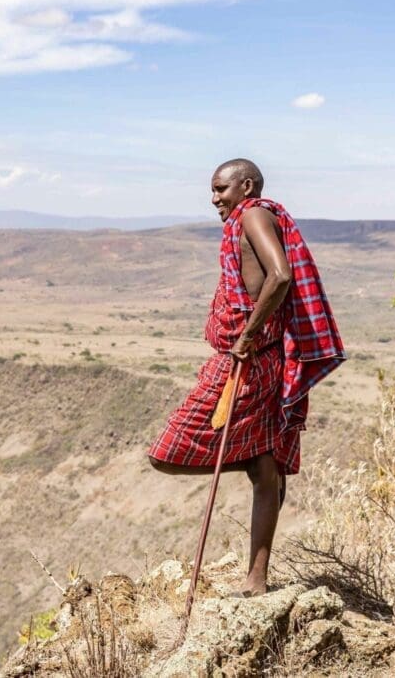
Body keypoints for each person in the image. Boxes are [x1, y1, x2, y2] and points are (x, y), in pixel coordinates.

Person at [147, 158, 345, 596]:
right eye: (213, 191)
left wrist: (248, 335)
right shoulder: (246, 217)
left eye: (221, 189)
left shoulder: (254, 214)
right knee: (263, 469)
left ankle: (257, 567)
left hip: (248, 359)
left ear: (246, 186)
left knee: (166, 453)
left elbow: (280, 275)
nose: (214, 198)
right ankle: (257, 574)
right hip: (257, 356)